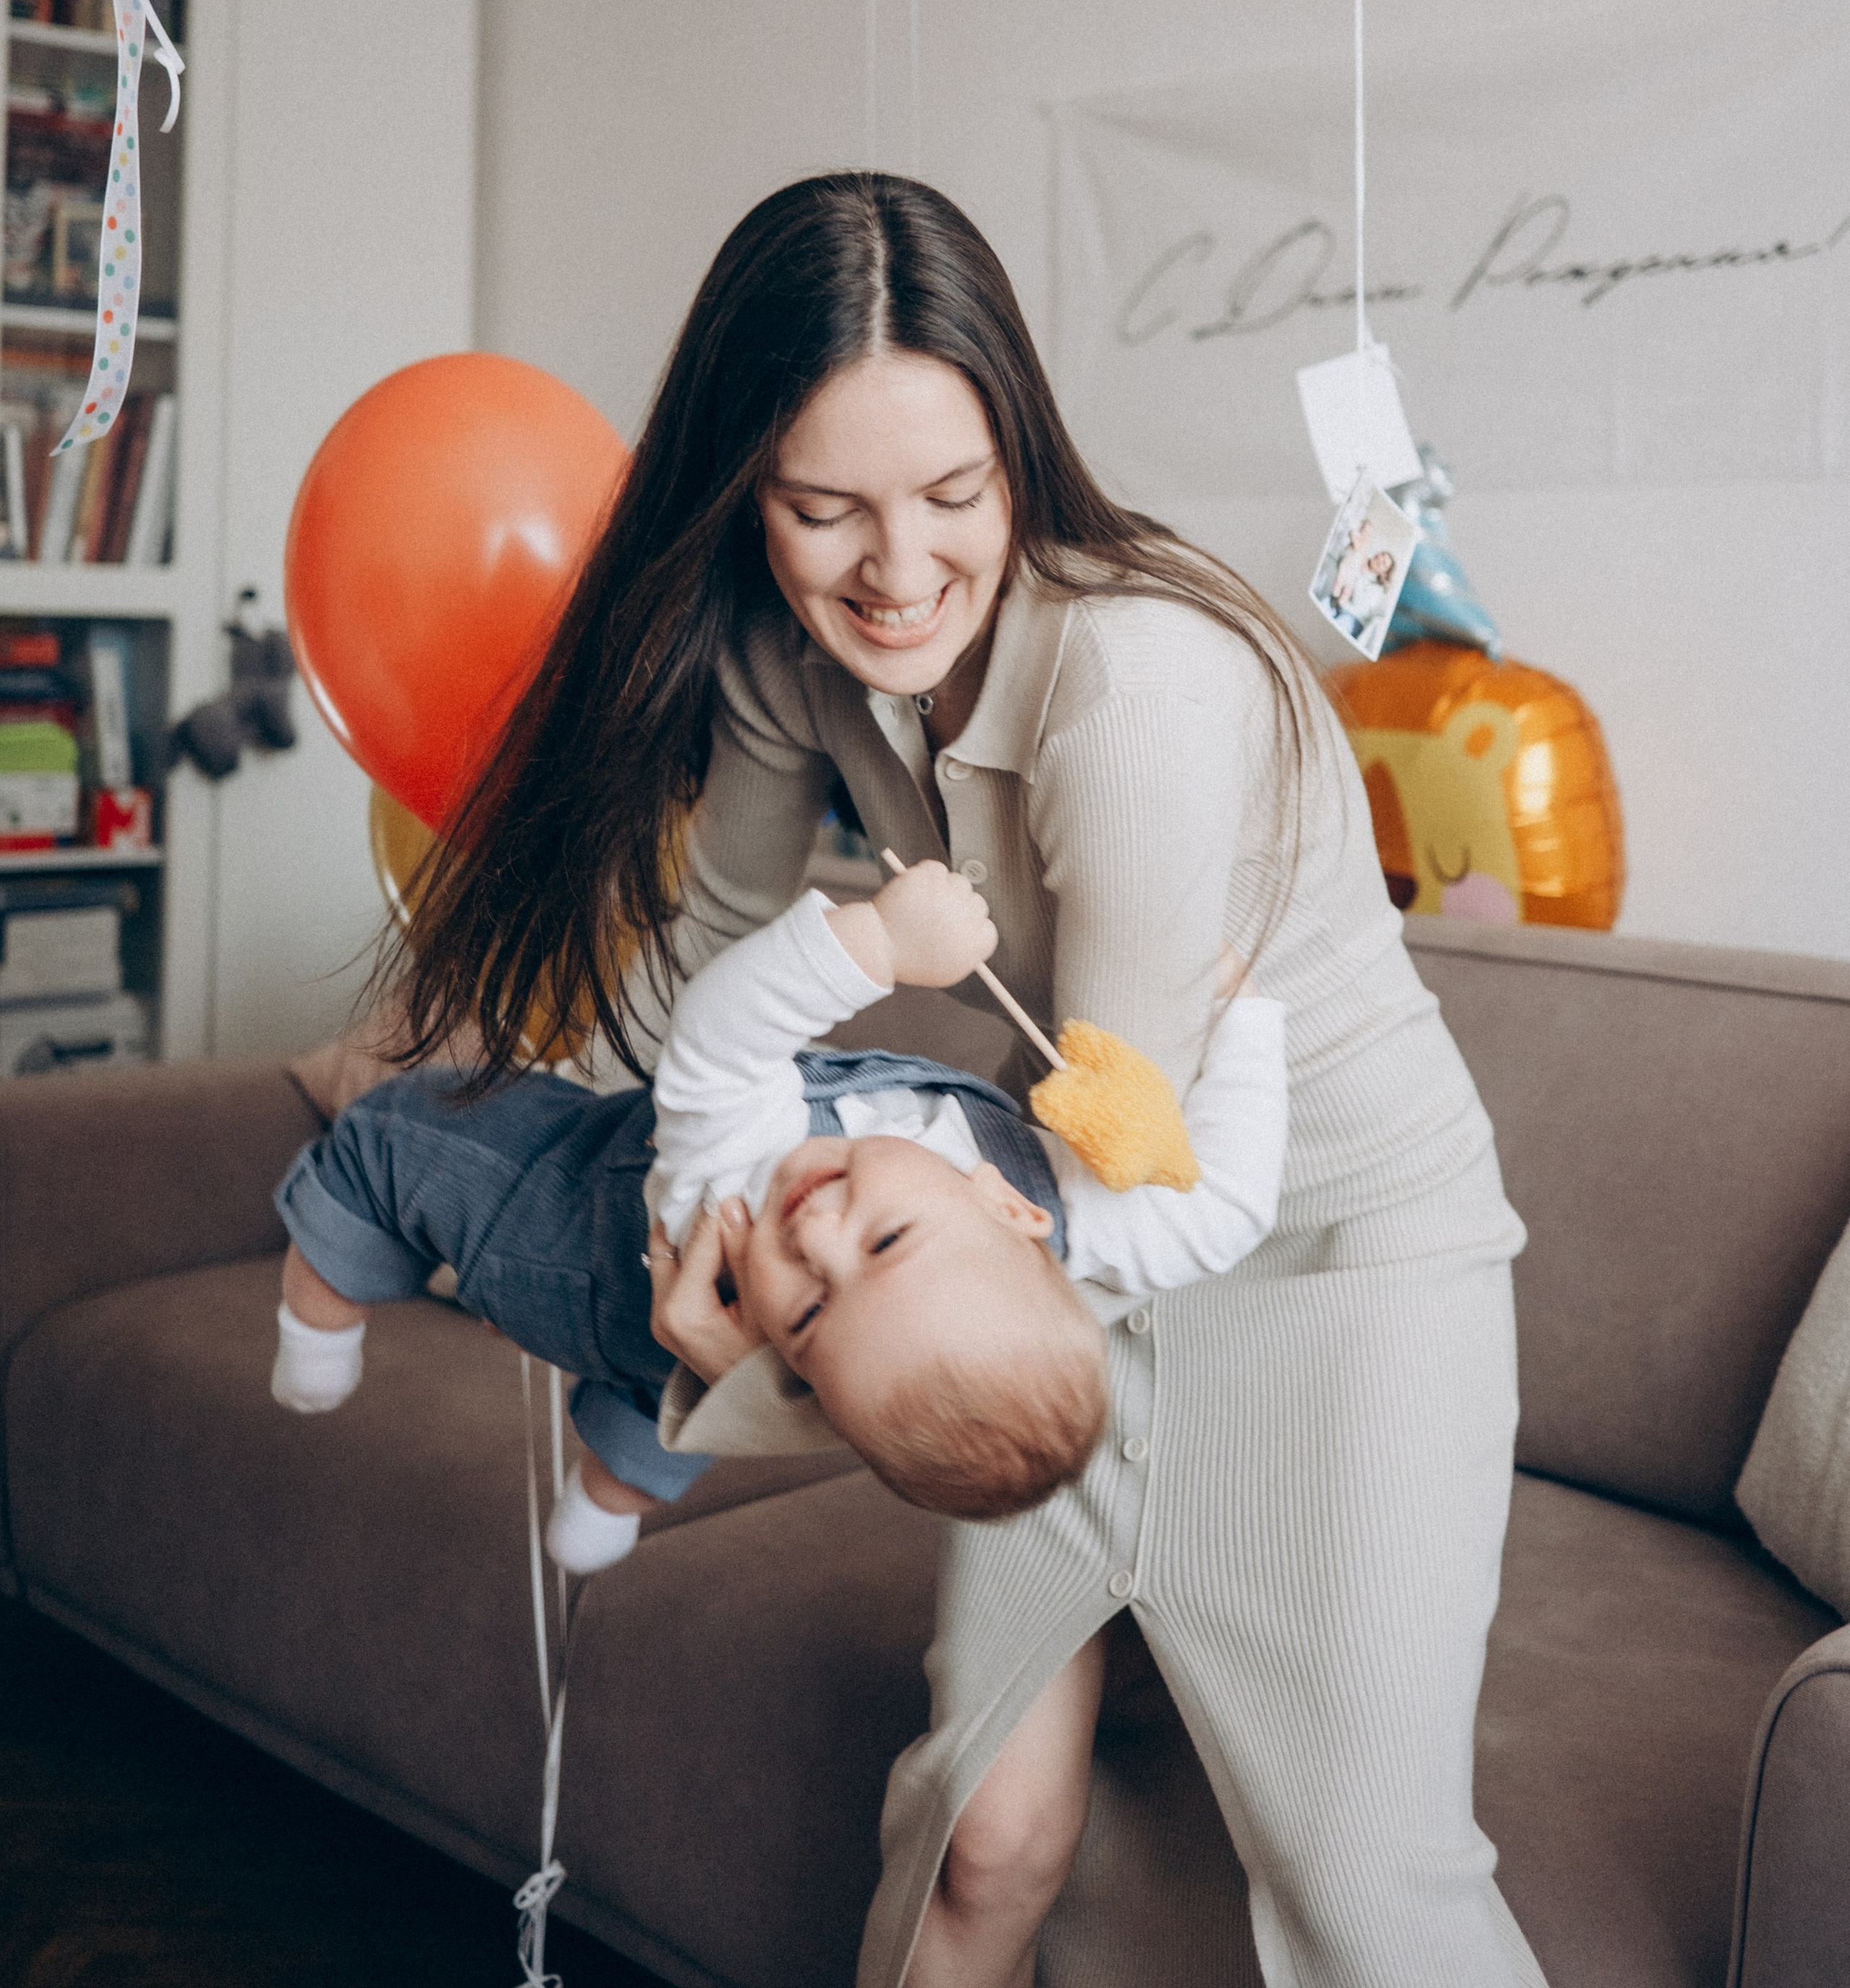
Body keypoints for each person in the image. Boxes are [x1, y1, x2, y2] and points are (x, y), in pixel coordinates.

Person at [385, 171, 1546, 1988]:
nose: (896, 572)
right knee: (975, 1835)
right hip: (1027, 1247)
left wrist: (751, 1332)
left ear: (1021, 459)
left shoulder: (1140, 691)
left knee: (1359, 1881)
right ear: (739, 500)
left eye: (951, 497)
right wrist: (616, 1189)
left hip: (1299, 1265)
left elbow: (1124, 1153)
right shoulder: (789, 655)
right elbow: (706, 966)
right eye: (819, 509)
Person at [270, 862, 1287, 1564]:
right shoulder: (1080, 1214)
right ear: (1014, 1211)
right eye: (885, 1240)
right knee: (661, 1415)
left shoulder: (742, 1181)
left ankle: (316, 1324)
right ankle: (605, 1505)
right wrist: (1243, 1018)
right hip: (696, 1357)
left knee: (401, 1136)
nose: (813, 1236)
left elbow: (720, 1040)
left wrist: (879, 939)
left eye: (804, 1318)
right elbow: (1229, 1209)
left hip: (575, 1244)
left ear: (800, 1373)